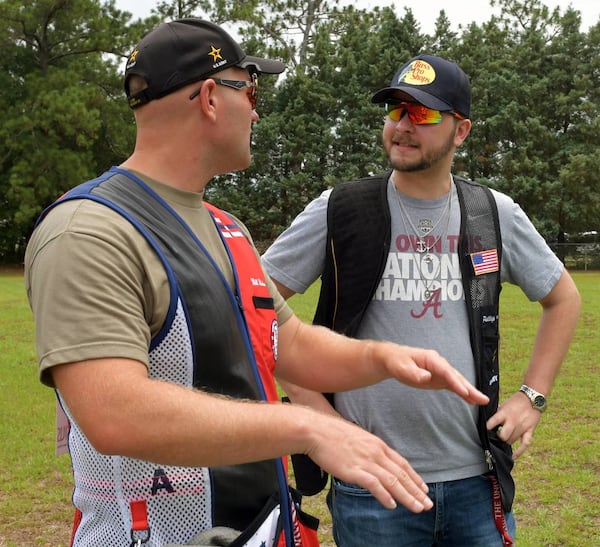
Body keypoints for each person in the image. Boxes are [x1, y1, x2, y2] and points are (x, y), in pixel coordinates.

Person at [24, 23, 489, 547]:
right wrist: (309, 428)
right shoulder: (89, 230)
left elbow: (284, 344)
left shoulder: (226, 228)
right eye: (249, 90)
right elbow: (113, 412)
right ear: (208, 99)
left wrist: (383, 359)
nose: (257, 110)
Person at [262, 54, 581, 546]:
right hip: (373, 485)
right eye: (396, 111)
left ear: (462, 130)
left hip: (476, 478)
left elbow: (564, 299)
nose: (404, 126)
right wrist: (318, 421)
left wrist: (532, 397)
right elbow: (255, 306)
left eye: (424, 114)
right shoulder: (340, 209)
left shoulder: (492, 213)